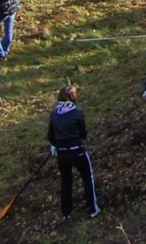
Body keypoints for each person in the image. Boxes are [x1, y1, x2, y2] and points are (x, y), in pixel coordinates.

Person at [48, 84, 98, 219]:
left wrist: (55, 145)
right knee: (87, 177)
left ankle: (66, 212)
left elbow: (51, 136)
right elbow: (83, 134)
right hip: (78, 151)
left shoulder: (53, 114)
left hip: (62, 154)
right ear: (73, 97)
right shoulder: (77, 113)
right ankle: (92, 209)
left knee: (66, 180)